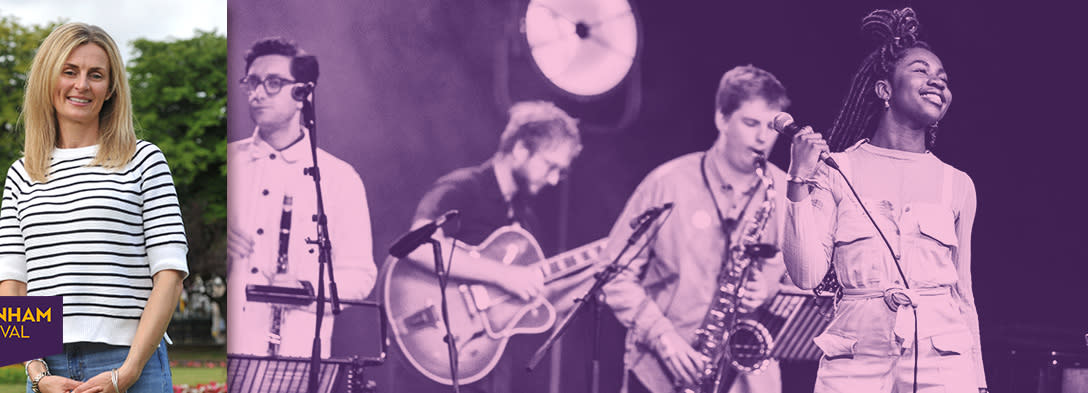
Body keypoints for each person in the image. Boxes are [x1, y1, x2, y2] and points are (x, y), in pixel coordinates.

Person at [782, 7, 987, 393]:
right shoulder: (836, 170)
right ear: (884, 90)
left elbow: (963, 292)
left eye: (943, 78)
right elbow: (806, 274)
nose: (937, 82)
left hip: (943, 359)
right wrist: (798, 179)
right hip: (855, 356)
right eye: (921, 71)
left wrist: (978, 381)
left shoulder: (957, 184)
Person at [0, 22, 188, 393]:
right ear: (48, 79)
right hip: (49, 369)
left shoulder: (144, 159)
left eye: (95, 75)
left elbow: (170, 274)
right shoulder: (22, 174)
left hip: (131, 364)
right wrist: (37, 373)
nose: (82, 84)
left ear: (111, 88)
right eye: (69, 71)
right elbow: (12, 284)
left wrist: (127, 372)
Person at [601, 65, 790, 393]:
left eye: (771, 127)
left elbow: (812, 283)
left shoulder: (786, 191)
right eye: (750, 123)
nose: (763, 138)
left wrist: (772, 289)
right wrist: (661, 335)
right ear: (721, 119)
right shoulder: (667, 183)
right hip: (663, 371)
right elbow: (612, 275)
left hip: (751, 379)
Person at [390, 100, 585, 393]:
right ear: (521, 149)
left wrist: (592, 276)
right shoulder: (464, 188)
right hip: (435, 353)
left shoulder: (525, 219)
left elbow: (539, 302)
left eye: (561, 172)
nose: (555, 179)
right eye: (550, 166)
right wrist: (502, 274)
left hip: (485, 367)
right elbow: (417, 246)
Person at [226, 37, 377, 359]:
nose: (258, 93)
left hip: (296, 355)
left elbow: (361, 276)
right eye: (252, 82)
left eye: (273, 83)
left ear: (303, 93)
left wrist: (305, 290)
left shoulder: (339, 178)